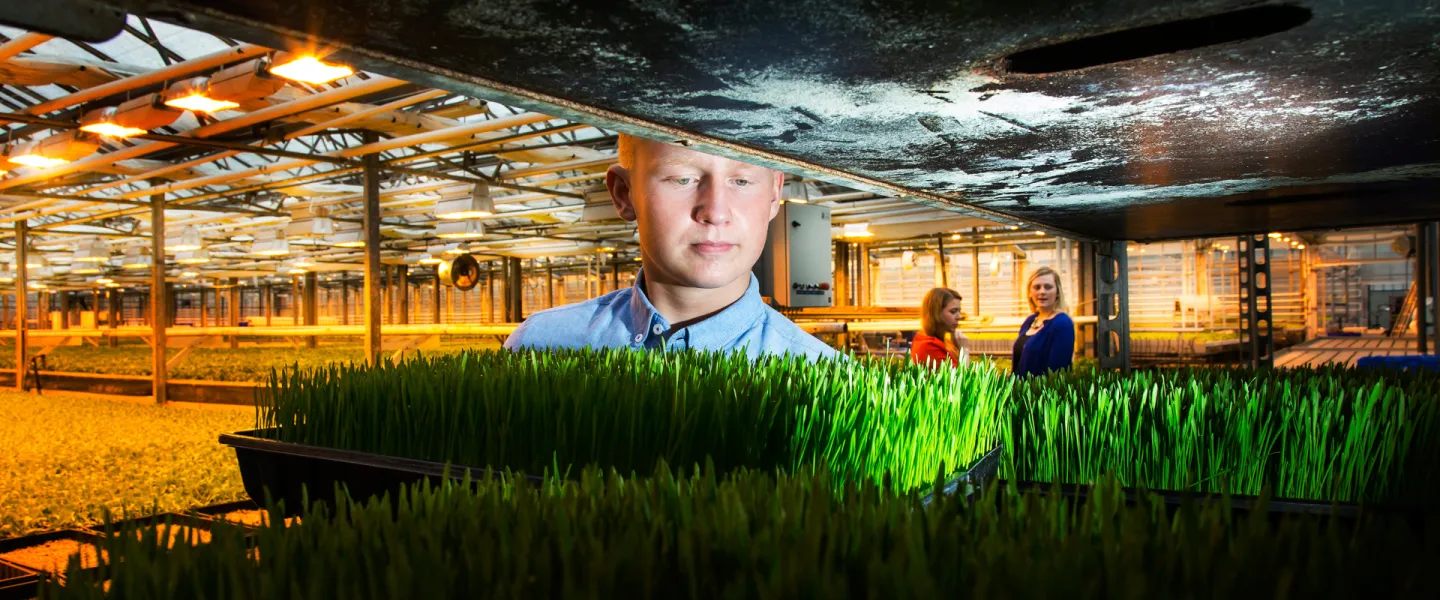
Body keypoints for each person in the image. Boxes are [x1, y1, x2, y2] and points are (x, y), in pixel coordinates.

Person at [503, 134, 837, 361]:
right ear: (624, 193)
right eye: (682, 178)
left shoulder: (828, 377)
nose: (715, 212)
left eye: (741, 180)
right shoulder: (540, 344)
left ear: (774, 194)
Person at [1012, 266, 1074, 376]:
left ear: (1057, 292)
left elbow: (1057, 372)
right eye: (1037, 287)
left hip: (1040, 387)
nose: (1042, 292)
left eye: (1048, 287)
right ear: (1030, 292)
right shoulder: (1029, 321)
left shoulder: (1062, 324)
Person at [911, 287, 969, 368]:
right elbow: (962, 374)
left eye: (959, 311)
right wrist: (964, 350)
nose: (959, 316)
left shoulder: (944, 341)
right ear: (936, 313)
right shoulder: (929, 347)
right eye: (953, 311)